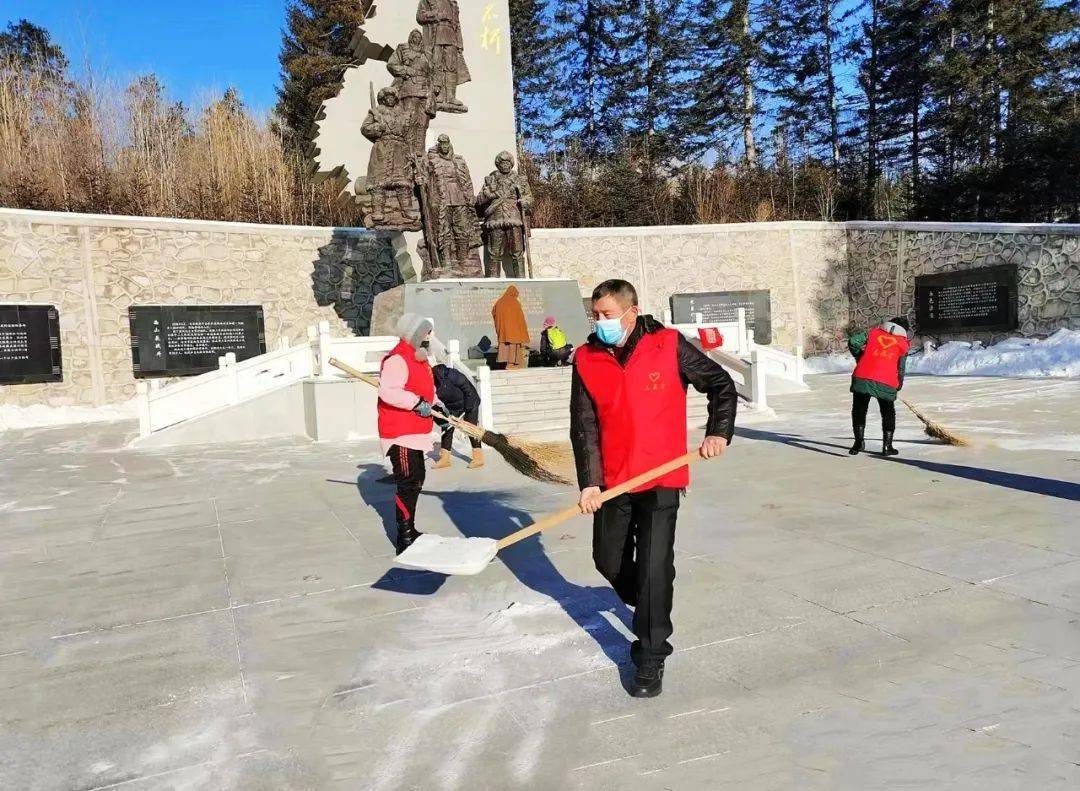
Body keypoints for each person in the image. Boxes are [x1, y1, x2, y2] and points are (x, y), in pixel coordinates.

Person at [571, 279, 738, 698]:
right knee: (607, 561)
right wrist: (590, 482)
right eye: (596, 314)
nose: (600, 322)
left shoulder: (667, 344)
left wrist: (718, 432)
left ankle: (650, 655)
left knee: (653, 564)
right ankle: (650, 592)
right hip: (613, 480)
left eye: (607, 314)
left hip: (663, 476)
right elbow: (584, 426)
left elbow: (720, 384)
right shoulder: (587, 358)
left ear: (631, 311)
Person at [378, 314, 439, 554]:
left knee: (416, 479)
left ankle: (410, 529)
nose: (428, 338)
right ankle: (404, 538)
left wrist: (437, 403)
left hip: (416, 430)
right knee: (409, 481)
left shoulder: (419, 359)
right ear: (413, 334)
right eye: (425, 333)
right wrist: (416, 403)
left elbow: (425, 390)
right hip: (400, 431)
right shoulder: (397, 360)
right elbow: (389, 392)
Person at [848, 317, 911, 457]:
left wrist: (861, 358)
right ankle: (887, 447)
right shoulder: (903, 343)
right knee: (888, 412)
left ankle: (859, 443)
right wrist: (898, 384)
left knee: (859, 409)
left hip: (863, 376)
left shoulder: (873, 333)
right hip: (886, 380)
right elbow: (900, 367)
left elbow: (853, 342)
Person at [432, 362, 484, 470]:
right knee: (446, 428)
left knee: (471, 428)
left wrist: (469, 405)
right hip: (452, 406)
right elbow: (433, 402)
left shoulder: (450, 374)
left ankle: (478, 458)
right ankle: (445, 459)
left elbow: (467, 388)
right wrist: (441, 416)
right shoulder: (429, 383)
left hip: (470, 401)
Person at [492, 285, 530, 369]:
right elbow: (520, 317)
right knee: (514, 346)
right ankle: (511, 364)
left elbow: (494, 312)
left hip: (503, 330)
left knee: (504, 346)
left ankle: (504, 363)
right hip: (514, 330)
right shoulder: (515, 302)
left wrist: (500, 324)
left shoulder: (499, 302)